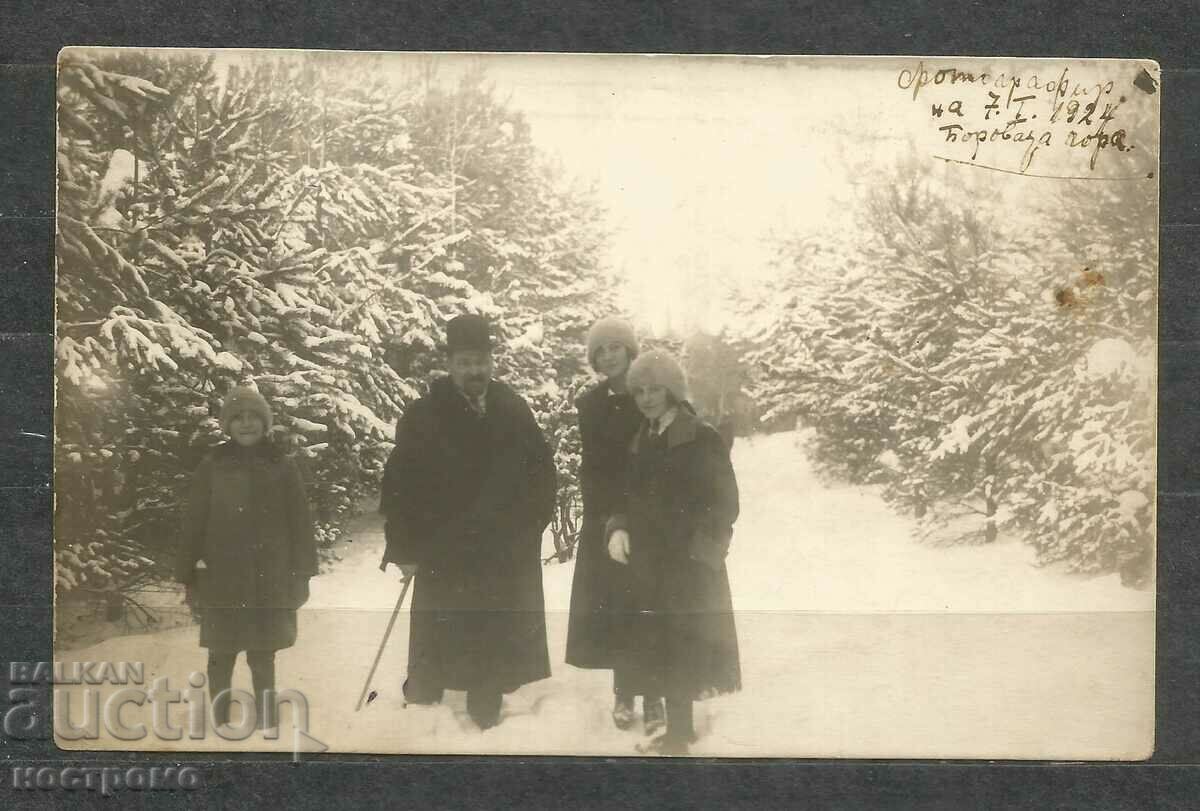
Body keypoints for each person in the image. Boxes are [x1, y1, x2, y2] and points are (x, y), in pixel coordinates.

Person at [379, 313, 556, 730]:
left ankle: (486, 696)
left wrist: (530, 526)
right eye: (464, 362)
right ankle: (424, 693)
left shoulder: (513, 408)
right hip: (444, 545)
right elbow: (399, 485)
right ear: (450, 364)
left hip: (500, 546)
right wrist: (403, 547)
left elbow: (542, 473)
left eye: (481, 361)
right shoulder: (423, 415)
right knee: (439, 621)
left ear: (492, 361)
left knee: (491, 623)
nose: (474, 370)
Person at [605, 351, 742, 755]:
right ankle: (674, 731)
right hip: (650, 563)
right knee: (660, 642)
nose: (647, 398)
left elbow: (725, 502)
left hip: (688, 565)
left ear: (672, 391)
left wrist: (703, 553)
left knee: (683, 643)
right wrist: (619, 526)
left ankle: (681, 734)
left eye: (655, 390)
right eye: (640, 391)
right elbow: (627, 495)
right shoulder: (642, 438)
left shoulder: (699, 436)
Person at [176, 385, 317, 731]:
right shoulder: (213, 465)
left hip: (269, 576)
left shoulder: (281, 465)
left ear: (265, 423)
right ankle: (221, 717)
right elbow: (193, 521)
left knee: (262, 650)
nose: (246, 424)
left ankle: (267, 716)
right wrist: (187, 573)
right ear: (226, 425)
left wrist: (302, 574)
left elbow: (300, 522)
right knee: (221, 651)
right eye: (237, 418)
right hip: (222, 576)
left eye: (253, 417)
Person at [564, 317, 666, 735]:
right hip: (607, 517)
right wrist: (605, 517)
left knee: (650, 604)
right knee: (618, 605)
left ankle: (655, 695)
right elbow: (594, 466)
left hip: (651, 516)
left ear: (629, 349)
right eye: (599, 350)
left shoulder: (653, 393)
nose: (607, 356)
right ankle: (625, 691)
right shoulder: (590, 405)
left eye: (614, 347)